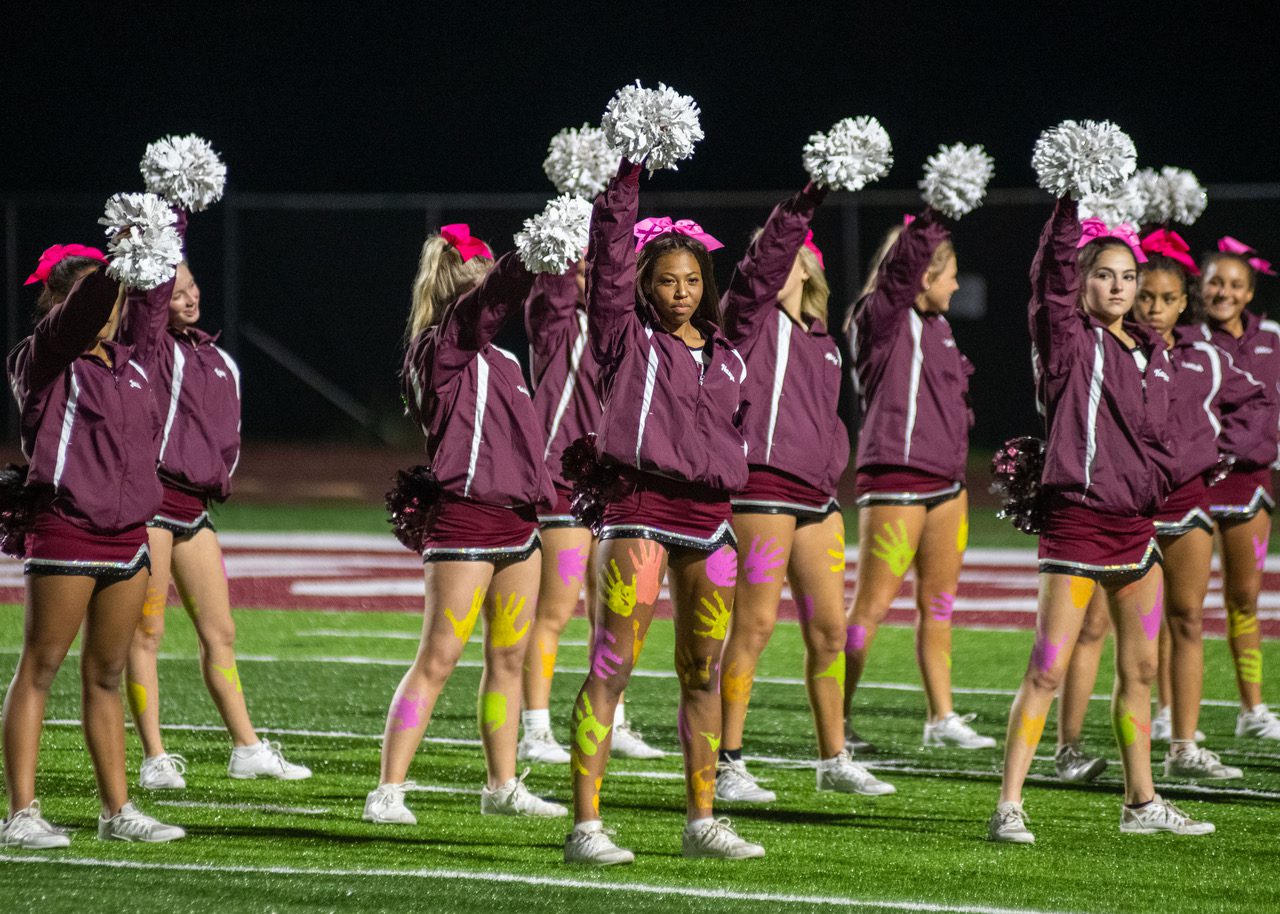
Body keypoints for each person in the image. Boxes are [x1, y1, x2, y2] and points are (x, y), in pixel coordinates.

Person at [988, 200, 1213, 843]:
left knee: (1140, 672)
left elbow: (1157, 438)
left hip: (1136, 530)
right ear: (1082, 281)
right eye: (1104, 275)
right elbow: (1047, 284)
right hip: (1079, 524)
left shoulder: (1151, 350)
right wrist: (1067, 207)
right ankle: (1008, 806)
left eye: (1127, 276)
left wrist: (1161, 481)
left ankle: (1141, 803)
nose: (1118, 287)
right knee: (1046, 669)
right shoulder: (1068, 341)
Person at [562, 159, 764, 865]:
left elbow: (763, 277)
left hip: (711, 525)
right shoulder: (626, 338)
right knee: (613, 666)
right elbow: (609, 260)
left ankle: (701, 822)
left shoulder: (728, 354)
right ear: (645, 286)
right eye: (667, 281)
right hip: (640, 514)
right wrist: (626, 178)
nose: (681, 293)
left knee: (703, 673)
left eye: (692, 281)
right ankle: (585, 828)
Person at [363, 224, 567, 825]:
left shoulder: (502, 358)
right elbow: (489, 304)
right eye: (484, 278)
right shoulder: (441, 348)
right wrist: (528, 257)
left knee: (508, 660)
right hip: (465, 524)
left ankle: (501, 786)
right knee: (438, 659)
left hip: (518, 526)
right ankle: (387, 790)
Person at [1, 237, 187, 847]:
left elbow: (152, 307)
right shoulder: (45, 356)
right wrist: (115, 266)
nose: (113, 307)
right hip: (67, 527)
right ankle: (20, 814)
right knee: (40, 668)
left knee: (107, 675)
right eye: (103, 296)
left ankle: (117, 811)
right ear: (63, 300)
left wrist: (163, 227)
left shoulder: (130, 361)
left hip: (128, 536)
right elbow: (83, 312)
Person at [714, 181, 893, 804]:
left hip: (817, 497)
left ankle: (833, 757)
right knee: (755, 626)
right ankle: (727, 762)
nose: (770, 262)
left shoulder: (823, 342)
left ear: (809, 269)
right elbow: (757, 272)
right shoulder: (747, 322)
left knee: (830, 632)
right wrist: (808, 198)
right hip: (762, 489)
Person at [125, 260, 311, 789]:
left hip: (194, 510)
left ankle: (247, 748)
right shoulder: (150, 350)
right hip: (153, 506)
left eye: (193, 288)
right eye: (176, 293)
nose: (190, 299)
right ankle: (154, 756)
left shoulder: (220, 359)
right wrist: (168, 229)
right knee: (147, 632)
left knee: (220, 632)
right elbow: (149, 303)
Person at [843, 210, 995, 752]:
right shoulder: (881, 318)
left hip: (946, 483)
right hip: (897, 479)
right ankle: (835, 719)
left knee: (939, 605)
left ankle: (941, 716)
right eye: (949, 274)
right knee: (871, 608)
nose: (956, 285)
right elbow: (894, 280)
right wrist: (934, 219)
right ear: (923, 274)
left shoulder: (939, 327)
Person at [518, 260, 662, 765]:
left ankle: (613, 721)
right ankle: (535, 730)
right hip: (563, 481)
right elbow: (553, 290)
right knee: (555, 612)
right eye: (580, 268)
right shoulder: (558, 324)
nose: (591, 277)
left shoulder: (624, 329)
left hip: (613, 483)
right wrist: (563, 252)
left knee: (613, 613)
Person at [1201, 238, 1280, 740]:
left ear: (1249, 292)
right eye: (1215, 283)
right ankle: (1168, 710)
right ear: (1201, 287)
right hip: (1194, 484)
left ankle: (1252, 710)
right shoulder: (1185, 338)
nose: (1224, 292)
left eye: (1235, 285)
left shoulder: (1272, 337)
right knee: (1181, 606)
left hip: (1250, 483)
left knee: (1245, 599)